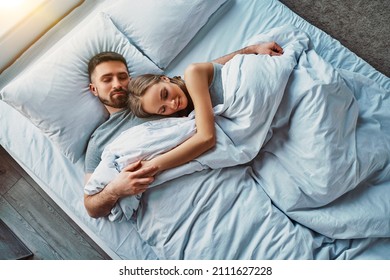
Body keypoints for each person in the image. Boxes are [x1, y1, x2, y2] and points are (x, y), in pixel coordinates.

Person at [84, 42, 284, 218]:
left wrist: (251, 50)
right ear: (94, 88)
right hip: (166, 198)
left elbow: (203, 78)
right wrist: (115, 190)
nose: (117, 84)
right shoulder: (100, 141)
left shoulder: (154, 98)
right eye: (107, 79)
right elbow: (91, 206)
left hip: (215, 161)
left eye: (122, 76)